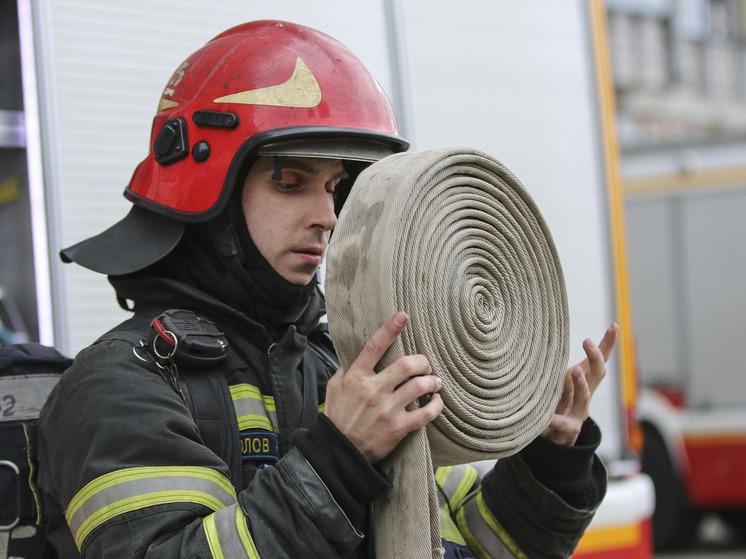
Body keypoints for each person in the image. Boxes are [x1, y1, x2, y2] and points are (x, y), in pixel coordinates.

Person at [34, 20, 616, 558]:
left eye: (336, 187)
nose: (328, 216)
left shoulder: (346, 370)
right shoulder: (119, 385)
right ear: (208, 191)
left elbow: (473, 546)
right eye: (291, 181)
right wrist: (337, 461)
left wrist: (551, 459)